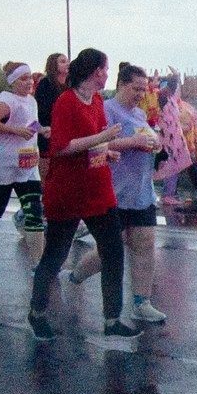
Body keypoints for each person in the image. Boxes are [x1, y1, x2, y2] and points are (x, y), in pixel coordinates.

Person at [29, 48, 144, 341]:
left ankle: (112, 318)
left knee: (113, 250)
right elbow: (62, 147)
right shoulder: (66, 102)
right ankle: (37, 312)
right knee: (56, 254)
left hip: (97, 187)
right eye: (105, 70)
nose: (108, 75)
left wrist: (106, 152)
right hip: (68, 189)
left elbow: (93, 144)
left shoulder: (95, 101)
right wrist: (103, 139)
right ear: (95, 72)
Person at [69, 63, 168, 328]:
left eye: (143, 89)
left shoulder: (139, 114)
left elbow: (147, 138)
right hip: (113, 191)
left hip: (142, 191)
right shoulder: (106, 109)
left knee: (145, 244)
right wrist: (132, 143)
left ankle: (141, 303)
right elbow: (96, 142)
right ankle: (77, 274)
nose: (140, 94)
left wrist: (155, 142)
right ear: (122, 84)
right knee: (112, 248)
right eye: (136, 88)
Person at [0, 61, 46, 247]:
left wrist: (42, 130)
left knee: (34, 213)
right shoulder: (7, 101)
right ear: (13, 81)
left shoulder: (31, 101)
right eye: (23, 78)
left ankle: (38, 268)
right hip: (2, 166)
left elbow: (31, 125)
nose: (29, 82)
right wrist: (15, 130)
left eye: (30, 78)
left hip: (27, 165)